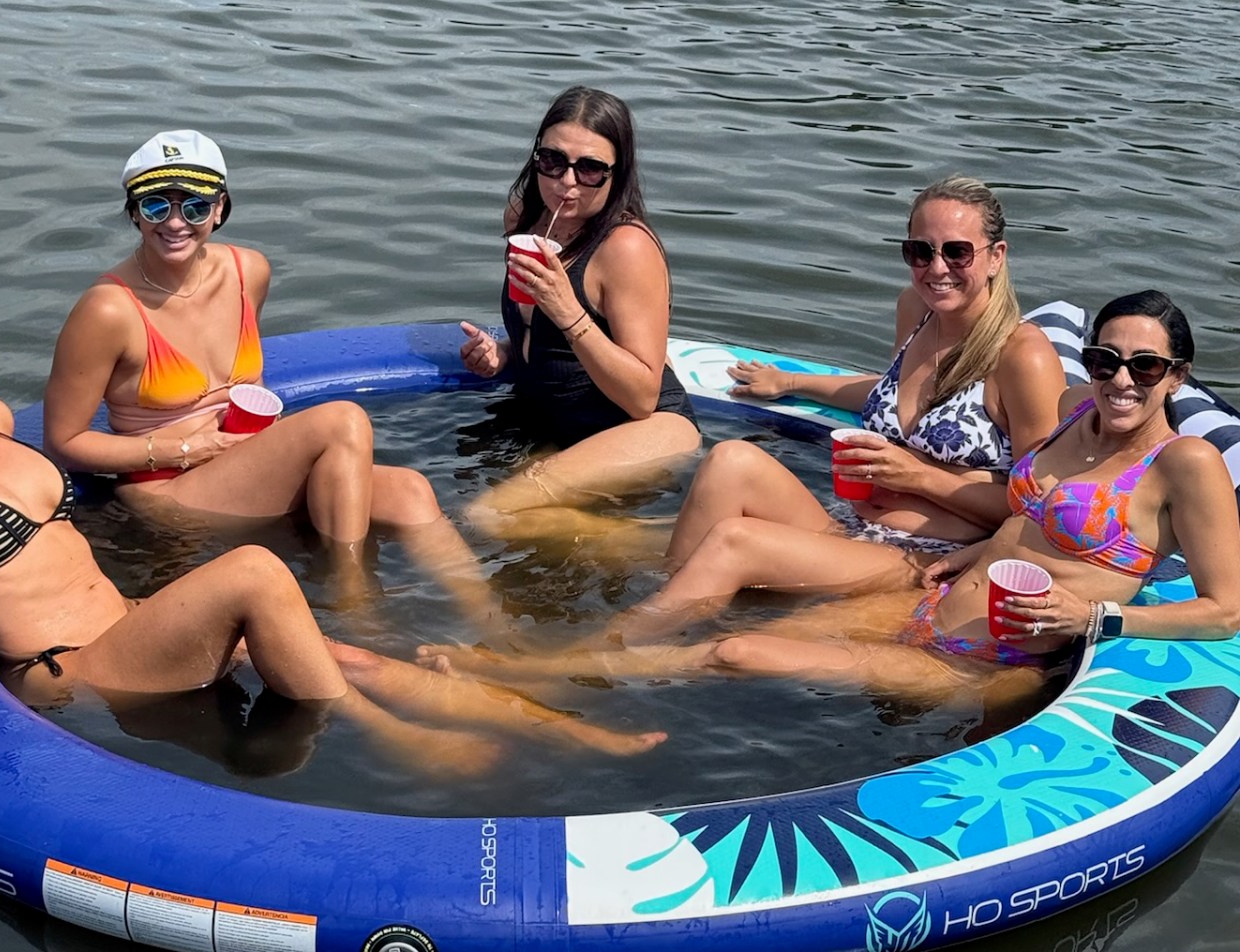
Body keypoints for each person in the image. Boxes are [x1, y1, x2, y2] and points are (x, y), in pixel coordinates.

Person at [0, 281, 665, 777]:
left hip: (130, 627)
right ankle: (400, 742)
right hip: (75, 672)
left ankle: (571, 728)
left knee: (351, 653)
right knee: (259, 573)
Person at [420, 290, 1240, 704]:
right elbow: (1027, 513)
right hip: (932, 598)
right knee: (740, 633)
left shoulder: (1186, 464)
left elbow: (1227, 609)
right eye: (1106, 360)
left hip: (993, 658)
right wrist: (965, 554)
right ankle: (535, 671)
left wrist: (1095, 619)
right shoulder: (1073, 419)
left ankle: (535, 680)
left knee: (737, 650)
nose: (1121, 380)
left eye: (1146, 366)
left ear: (1180, 374)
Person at [42, 130, 488, 616]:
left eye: (193, 206)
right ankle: (356, 603)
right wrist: (186, 448)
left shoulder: (248, 271)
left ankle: (498, 626)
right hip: (171, 490)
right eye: (155, 207)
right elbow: (62, 442)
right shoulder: (108, 310)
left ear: (219, 209)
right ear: (133, 212)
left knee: (410, 492)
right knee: (342, 421)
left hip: (247, 467)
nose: (174, 223)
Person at [662, 175, 1068, 588]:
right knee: (729, 462)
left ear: (996, 256)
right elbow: (892, 390)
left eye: (957, 252)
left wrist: (920, 476)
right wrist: (790, 381)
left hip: (927, 561)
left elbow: (1043, 511)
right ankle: (665, 589)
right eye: (920, 252)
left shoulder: (1022, 355)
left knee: (735, 541)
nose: (937, 268)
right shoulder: (918, 308)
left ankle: (632, 640)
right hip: (852, 526)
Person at [457, 86, 701, 541]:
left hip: (643, 427)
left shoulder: (626, 248)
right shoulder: (523, 218)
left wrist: (569, 312)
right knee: (468, 498)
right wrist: (505, 353)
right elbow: (545, 335)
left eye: (590, 169)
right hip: (561, 423)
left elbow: (642, 396)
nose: (566, 182)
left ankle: (677, 545)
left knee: (487, 516)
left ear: (616, 173)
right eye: (552, 161)